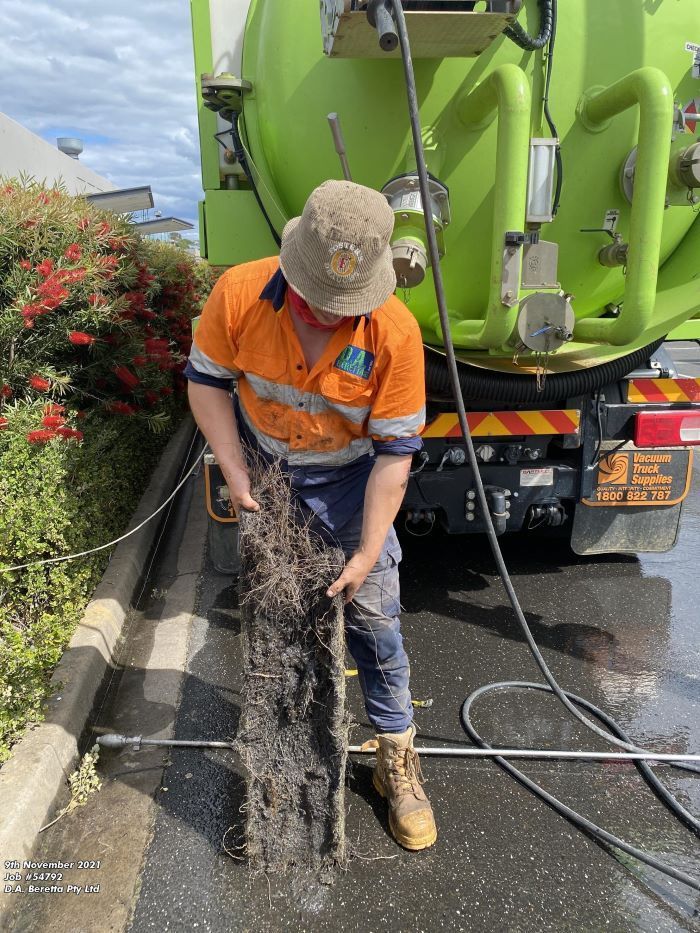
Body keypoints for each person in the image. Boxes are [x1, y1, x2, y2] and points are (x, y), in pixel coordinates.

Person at [184, 179, 436, 851]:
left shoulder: (395, 334)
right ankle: (276, 761)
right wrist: (235, 470)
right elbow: (206, 381)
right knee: (277, 622)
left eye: (340, 306)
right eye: (314, 299)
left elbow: (393, 456)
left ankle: (395, 756)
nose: (326, 315)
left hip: (354, 480)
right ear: (292, 265)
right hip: (269, 476)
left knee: (376, 619)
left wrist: (365, 549)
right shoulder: (239, 293)